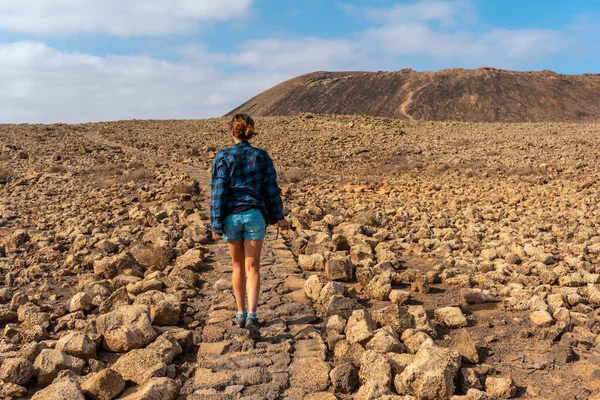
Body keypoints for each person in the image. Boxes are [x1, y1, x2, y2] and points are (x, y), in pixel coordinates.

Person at [210, 113, 290, 338]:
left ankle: (240, 313)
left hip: (231, 218)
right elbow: (271, 189)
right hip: (254, 216)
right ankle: (253, 316)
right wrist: (279, 217)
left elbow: (218, 191)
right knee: (252, 267)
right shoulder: (261, 156)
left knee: (237, 266)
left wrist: (216, 224)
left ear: (232, 132)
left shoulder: (223, 156)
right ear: (250, 131)